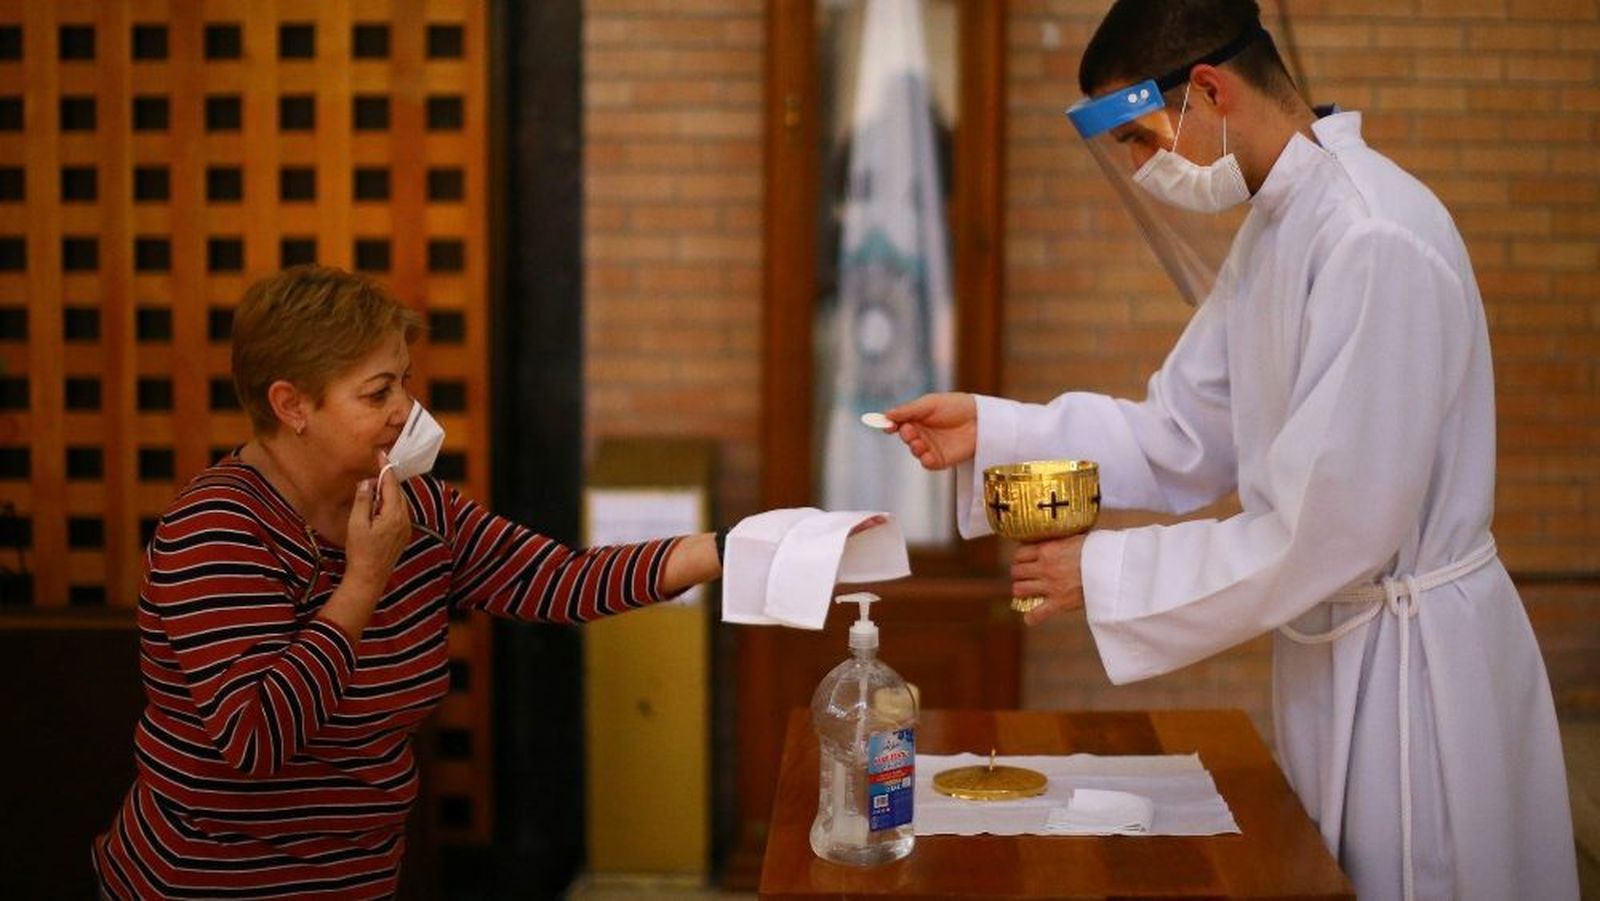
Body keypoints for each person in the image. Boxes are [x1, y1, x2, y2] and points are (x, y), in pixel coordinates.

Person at [883, 2, 1579, 899]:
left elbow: (1331, 529)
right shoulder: (1281, 228)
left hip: (1417, 673)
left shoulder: (1373, 237)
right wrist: (996, 432)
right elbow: (1179, 433)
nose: (1143, 169)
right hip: (1336, 644)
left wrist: (1105, 572)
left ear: (1208, 91)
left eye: (1140, 139)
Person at [90, 266, 729, 898]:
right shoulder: (216, 527)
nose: (406, 410)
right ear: (292, 406)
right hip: (206, 881)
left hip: (357, 879)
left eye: (405, 382)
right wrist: (364, 579)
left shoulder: (416, 506)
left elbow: (559, 579)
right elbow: (257, 737)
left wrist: (730, 550)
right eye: (377, 394)